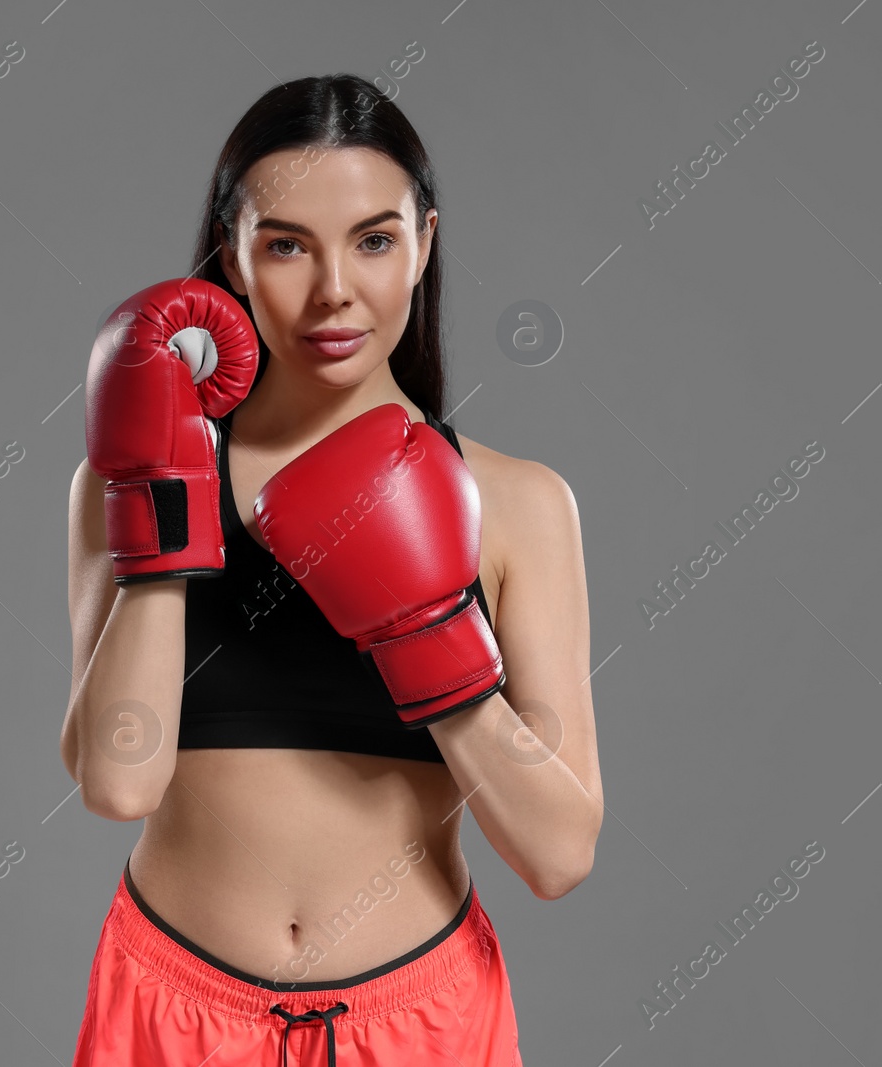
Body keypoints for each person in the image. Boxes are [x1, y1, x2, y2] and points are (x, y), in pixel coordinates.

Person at [63, 73, 602, 1066]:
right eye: (284, 244)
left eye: (373, 239)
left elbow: (560, 851)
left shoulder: (517, 503)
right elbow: (116, 779)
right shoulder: (131, 471)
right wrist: (165, 505)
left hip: (420, 1017)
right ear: (230, 251)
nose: (333, 292)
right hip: (171, 1011)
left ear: (424, 243)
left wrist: (426, 633)